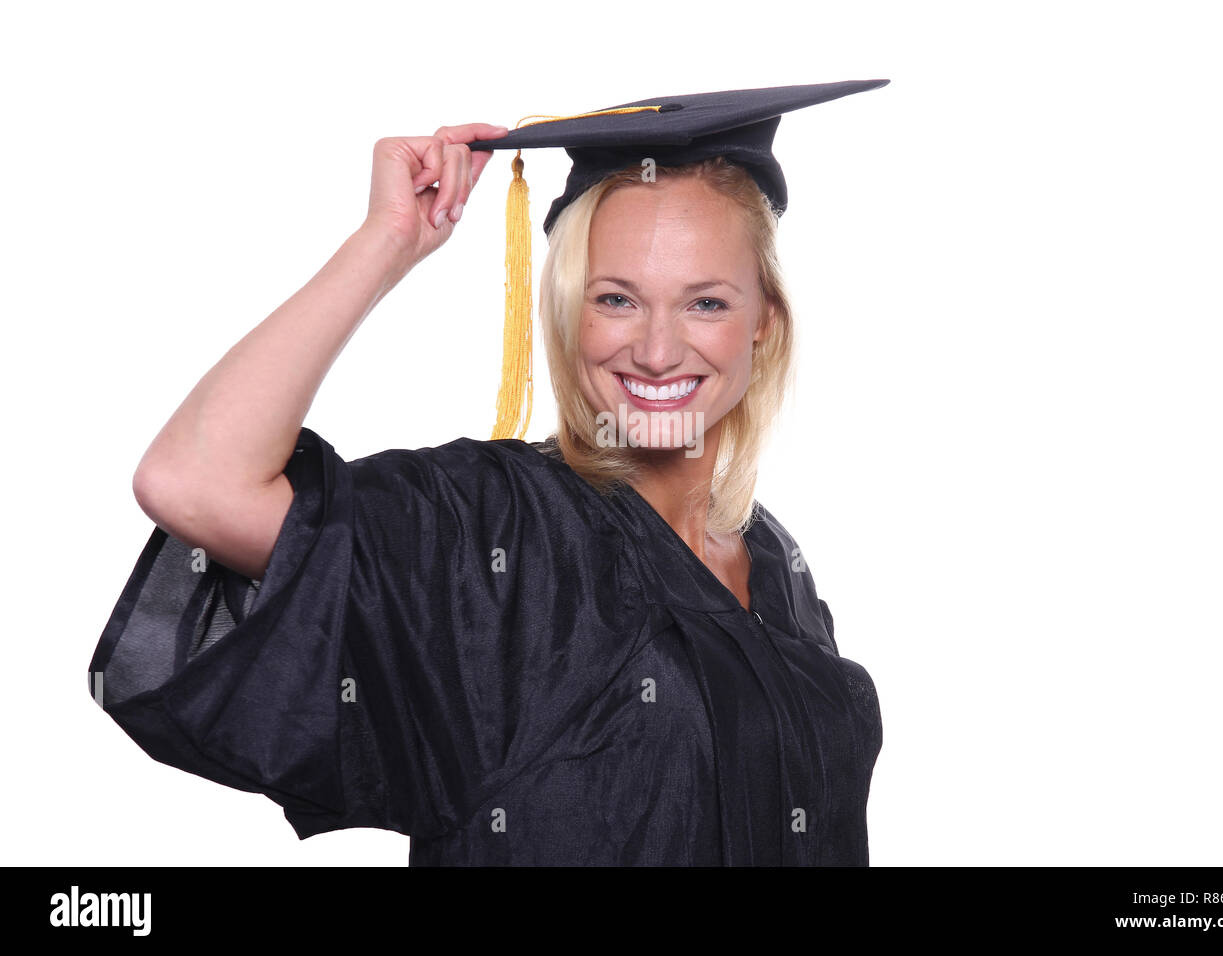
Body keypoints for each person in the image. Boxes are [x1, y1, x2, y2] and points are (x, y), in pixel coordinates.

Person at [88, 81, 888, 866]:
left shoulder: (777, 569)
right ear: (569, 311)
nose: (654, 349)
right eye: (616, 299)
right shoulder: (493, 530)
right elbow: (193, 482)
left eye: (706, 304)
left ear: (763, 325)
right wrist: (387, 240)